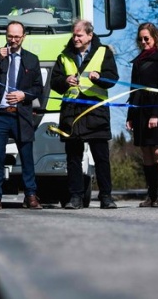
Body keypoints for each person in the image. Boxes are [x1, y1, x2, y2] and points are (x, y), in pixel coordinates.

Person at [50, 19, 119, 209]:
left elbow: (113, 78)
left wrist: (100, 78)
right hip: (72, 114)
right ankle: (75, 197)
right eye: (74, 35)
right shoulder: (64, 56)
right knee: (73, 159)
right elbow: (54, 82)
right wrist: (65, 80)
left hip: (95, 112)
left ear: (89, 35)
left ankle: (106, 197)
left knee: (101, 158)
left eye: (79, 35)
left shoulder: (104, 52)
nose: (75, 38)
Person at [0, 21, 44, 210]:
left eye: (17, 36)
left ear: (23, 37)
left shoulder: (32, 59)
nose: (13, 40)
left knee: (26, 157)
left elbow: (38, 88)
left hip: (21, 115)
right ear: (6, 36)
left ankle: (31, 195)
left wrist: (24, 95)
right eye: (10, 36)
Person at [125, 23, 158, 208]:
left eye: (147, 38)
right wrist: (130, 115)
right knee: (145, 151)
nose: (143, 41)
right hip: (140, 111)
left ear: (155, 37)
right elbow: (133, 91)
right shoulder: (138, 61)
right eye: (140, 39)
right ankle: (151, 194)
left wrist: (156, 114)